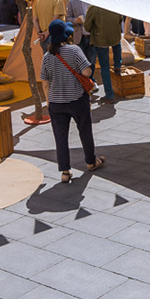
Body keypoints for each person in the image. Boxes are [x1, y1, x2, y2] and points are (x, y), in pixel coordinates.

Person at [41, 20, 105, 183]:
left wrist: (48, 101)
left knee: (60, 137)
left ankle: (65, 171)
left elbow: (45, 82)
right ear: (66, 35)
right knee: (85, 130)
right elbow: (86, 71)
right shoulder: (74, 50)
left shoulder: (47, 57)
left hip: (56, 103)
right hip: (77, 100)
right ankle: (91, 162)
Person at [82, 0, 126, 103]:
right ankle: (118, 65)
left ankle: (109, 95)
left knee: (104, 67)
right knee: (117, 47)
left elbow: (87, 26)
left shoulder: (94, 7)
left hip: (100, 39)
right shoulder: (115, 4)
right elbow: (120, 20)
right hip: (115, 37)